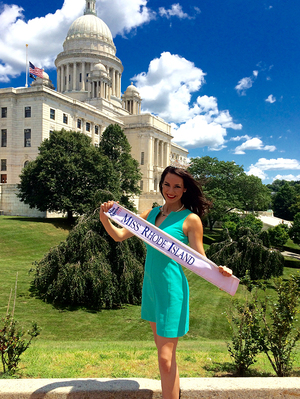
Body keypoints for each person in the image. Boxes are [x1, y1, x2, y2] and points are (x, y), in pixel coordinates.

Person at [100, 166, 232, 399]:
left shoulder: (191, 219)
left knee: (165, 358)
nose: (170, 190)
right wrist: (104, 217)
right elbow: (119, 236)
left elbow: (200, 258)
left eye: (177, 186)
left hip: (171, 290)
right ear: (161, 184)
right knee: (166, 357)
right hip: (151, 288)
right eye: (166, 184)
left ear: (185, 189)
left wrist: (220, 269)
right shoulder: (151, 214)